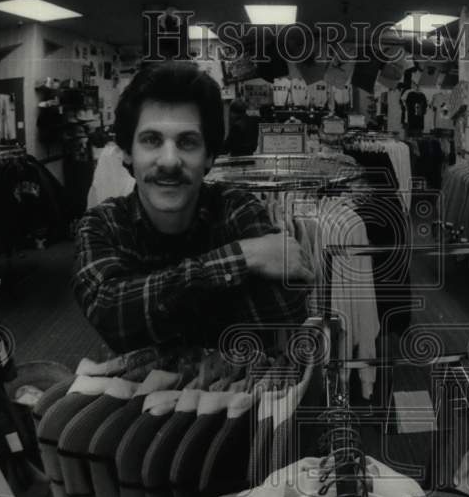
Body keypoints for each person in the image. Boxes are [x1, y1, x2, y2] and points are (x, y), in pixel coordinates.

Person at [72, 61, 312, 354]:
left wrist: (155, 306)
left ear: (209, 157)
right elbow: (112, 316)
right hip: (137, 398)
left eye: (187, 142)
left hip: (234, 398)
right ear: (127, 153)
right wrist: (242, 258)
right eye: (151, 140)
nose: (170, 161)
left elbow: (286, 311)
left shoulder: (237, 207)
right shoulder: (102, 224)